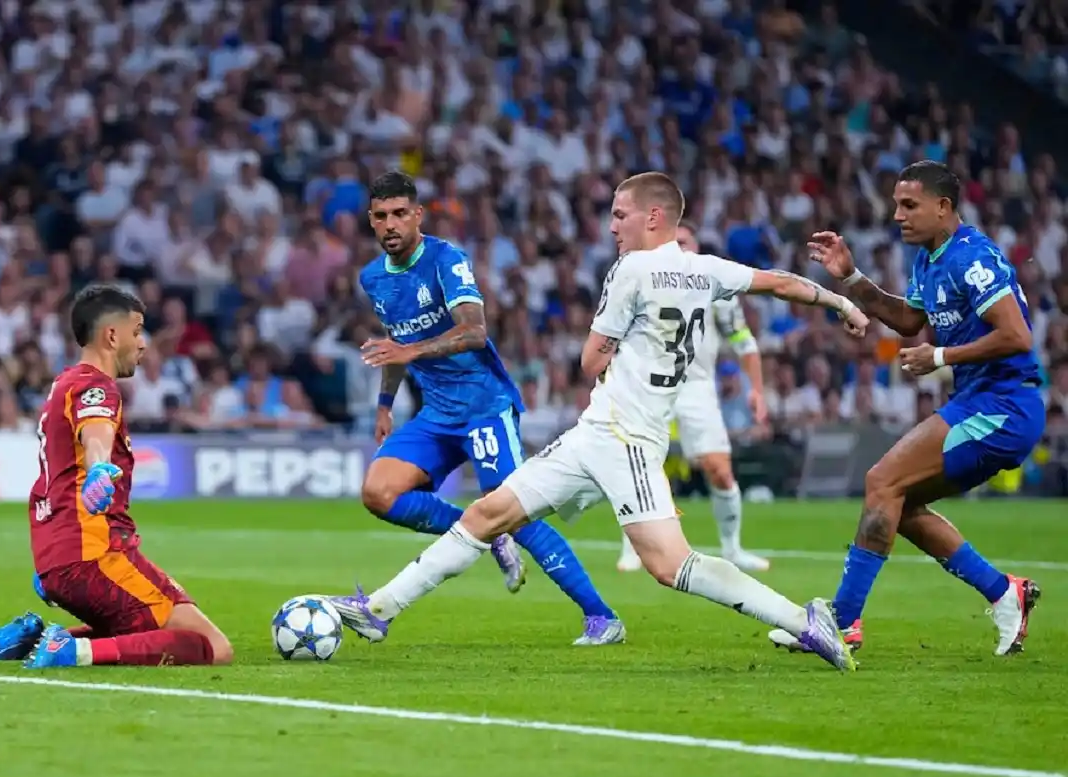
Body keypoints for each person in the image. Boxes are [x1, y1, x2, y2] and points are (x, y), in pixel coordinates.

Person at [330, 172, 867, 670]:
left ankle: (804, 620)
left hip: (626, 439)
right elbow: (780, 283)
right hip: (597, 432)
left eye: (620, 215)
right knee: (487, 515)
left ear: (654, 217)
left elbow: (590, 360)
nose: (612, 226)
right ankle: (378, 610)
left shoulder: (632, 268)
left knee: (669, 565)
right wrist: (842, 305)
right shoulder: (707, 269)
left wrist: (618, 351)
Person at [771, 160, 1042, 656]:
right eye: (896, 204)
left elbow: (1017, 336)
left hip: (1004, 405)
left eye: (909, 205)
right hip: (983, 402)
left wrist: (941, 357)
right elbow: (907, 320)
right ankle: (1006, 594)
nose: (897, 215)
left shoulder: (970, 257)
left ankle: (843, 621)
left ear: (944, 208)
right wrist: (850, 276)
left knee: (881, 481)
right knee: (898, 502)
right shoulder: (931, 258)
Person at [354, 171, 624, 645]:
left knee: (518, 510)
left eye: (400, 213)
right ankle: (487, 535)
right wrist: (384, 404)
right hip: (437, 414)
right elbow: (396, 344)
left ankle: (602, 617)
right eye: (381, 216)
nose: (391, 224)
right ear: (371, 222)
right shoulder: (373, 278)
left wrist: (409, 353)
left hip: (484, 407)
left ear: (418, 215)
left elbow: (474, 332)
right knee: (378, 493)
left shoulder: (445, 260)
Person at [0, 285, 232, 668]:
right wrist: (100, 466)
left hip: (58, 561)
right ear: (111, 335)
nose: (142, 344)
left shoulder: (63, 385)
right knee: (211, 645)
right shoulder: (95, 385)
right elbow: (96, 430)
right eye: (137, 331)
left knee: (142, 631)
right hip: (96, 554)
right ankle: (74, 651)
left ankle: (36, 641)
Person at [617, 220, 770, 574]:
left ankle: (733, 549)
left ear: (697, 248)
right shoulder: (645, 286)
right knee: (643, 468)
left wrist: (757, 390)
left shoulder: (716, 292)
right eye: (674, 243)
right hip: (652, 389)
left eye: (685, 242)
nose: (680, 249)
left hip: (698, 390)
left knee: (719, 470)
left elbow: (744, 343)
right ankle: (633, 549)